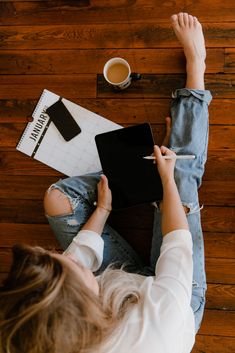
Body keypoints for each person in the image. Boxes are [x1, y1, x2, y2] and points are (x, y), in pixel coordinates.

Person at [0, 13, 212, 353]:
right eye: (65, 262)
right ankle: (196, 70)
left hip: (120, 289)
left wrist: (102, 209)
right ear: (86, 302)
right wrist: (166, 180)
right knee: (179, 173)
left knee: (58, 199)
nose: (66, 255)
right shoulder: (167, 317)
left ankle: (148, 162)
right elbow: (178, 240)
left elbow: (78, 261)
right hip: (177, 293)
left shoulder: (58, 329)